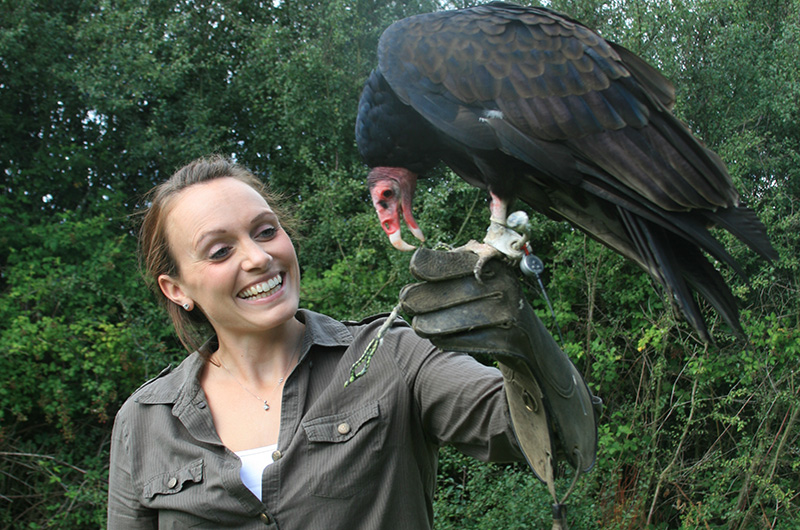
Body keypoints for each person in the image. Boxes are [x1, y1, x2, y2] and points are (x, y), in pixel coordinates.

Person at [108, 155, 598, 529]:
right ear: (177, 289)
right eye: (220, 251)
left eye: (266, 231)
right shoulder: (146, 422)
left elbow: (562, 436)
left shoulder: (393, 357)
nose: (258, 257)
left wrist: (518, 334)